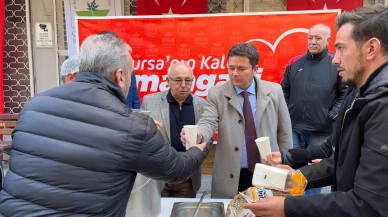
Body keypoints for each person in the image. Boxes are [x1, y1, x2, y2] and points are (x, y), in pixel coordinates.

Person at [0, 34, 207, 217]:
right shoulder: (133, 125)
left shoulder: (34, 105)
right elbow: (176, 170)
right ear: (120, 76)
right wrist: (198, 149)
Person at [243, 5, 388, 217]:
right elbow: (339, 161)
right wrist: (295, 178)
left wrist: (287, 207)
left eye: (341, 48)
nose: (335, 58)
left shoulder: (382, 106)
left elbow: (369, 204)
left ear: (371, 49)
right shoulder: (357, 92)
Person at [191, 43, 292, 198]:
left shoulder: (274, 91)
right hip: (231, 175)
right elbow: (208, 121)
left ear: (255, 69)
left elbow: (284, 132)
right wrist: (199, 134)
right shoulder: (217, 93)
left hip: (267, 172)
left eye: (241, 69)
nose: (234, 73)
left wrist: (286, 161)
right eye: (231, 68)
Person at [141, 61, 210, 198]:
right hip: (157, 175)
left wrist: (195, 158)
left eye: (188, 80)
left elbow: (207, 140)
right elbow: (141, 137)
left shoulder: (202, 105)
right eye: (178, 80)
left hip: (187, 177)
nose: (183, 85)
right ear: (168, 81)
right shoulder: (150, 101)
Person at [98, 30, 140, 109]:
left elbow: (135, 98)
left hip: (126, 115)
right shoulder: (92, 69)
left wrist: (137, 116)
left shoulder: (127, 68)